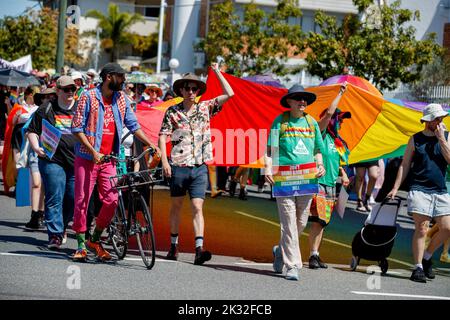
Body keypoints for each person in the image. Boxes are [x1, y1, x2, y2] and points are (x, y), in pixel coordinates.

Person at [70, 62, 161, 262]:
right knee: (82, 200)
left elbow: (133, 125)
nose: (124, 81)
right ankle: (81, 244)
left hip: (110, 158)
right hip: (87, 157)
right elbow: (76, 128)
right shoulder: (88, 96)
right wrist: (93, 152)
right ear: (109, 77)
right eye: (121, 77)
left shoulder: (121, 99)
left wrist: (150, 144)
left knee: (111, 200)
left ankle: (95, 239)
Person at [159, 63, 234, 265]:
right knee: (176, 206)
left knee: (197, 207)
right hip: (179, 166)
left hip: (199, 166)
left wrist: (217, 72)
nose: (191, 92)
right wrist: (164, 161)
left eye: (195, 89)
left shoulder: (205, 107)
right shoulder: (172, 112)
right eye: (187, 88)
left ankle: (199, 249)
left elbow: (230, 93)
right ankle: (173, 246)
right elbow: (162, 136)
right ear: (181, 90)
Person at [265, 84, 325, 281]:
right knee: (289, 222)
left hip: (307, 179)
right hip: (284, 180)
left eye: (305, 99)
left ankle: (281, 251)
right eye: (298, 98)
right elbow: (271, 151)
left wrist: (321, 164)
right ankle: (293, 266)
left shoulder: (312, 123)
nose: (302, 102)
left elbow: (317, 150)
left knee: (300, 222)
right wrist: (268, 168)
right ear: (289, 101)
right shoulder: (279, 122)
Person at [388, 103, 450, 283]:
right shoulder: (415, 139)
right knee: (422, 228)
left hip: (440, 190)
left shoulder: (446, 136)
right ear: (428, 121)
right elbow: (405, 165)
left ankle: (427, 256)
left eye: (441, 118)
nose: (440, 121)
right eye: (437, 118)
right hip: (419, 189)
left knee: (447, 227)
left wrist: (442, 139)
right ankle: (417, 268)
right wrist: (395, 188)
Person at [26, 76, 78, 249]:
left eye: (73, 89)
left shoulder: (81, 108)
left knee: (71, 197)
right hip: (52, 159)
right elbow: (32, 131)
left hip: (76, 160)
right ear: (58, 91)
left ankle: (62, 226)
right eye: (66, 89)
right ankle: (54, 234)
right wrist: (36, 147)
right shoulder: (46, 108)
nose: (70, 92)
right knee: (55, 195)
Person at [308, 83, 351, 269]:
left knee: (323, 222)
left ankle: (315, 254)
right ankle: (310, 255)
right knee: (317, 221)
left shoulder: (338, 142)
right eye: (338, 119)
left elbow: (336, 160)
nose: (340, 123)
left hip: (331, 185)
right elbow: (328, 114)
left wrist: (343, 173)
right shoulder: (321, 134)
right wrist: (340, 93)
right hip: (318, 182)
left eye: (341, 120)